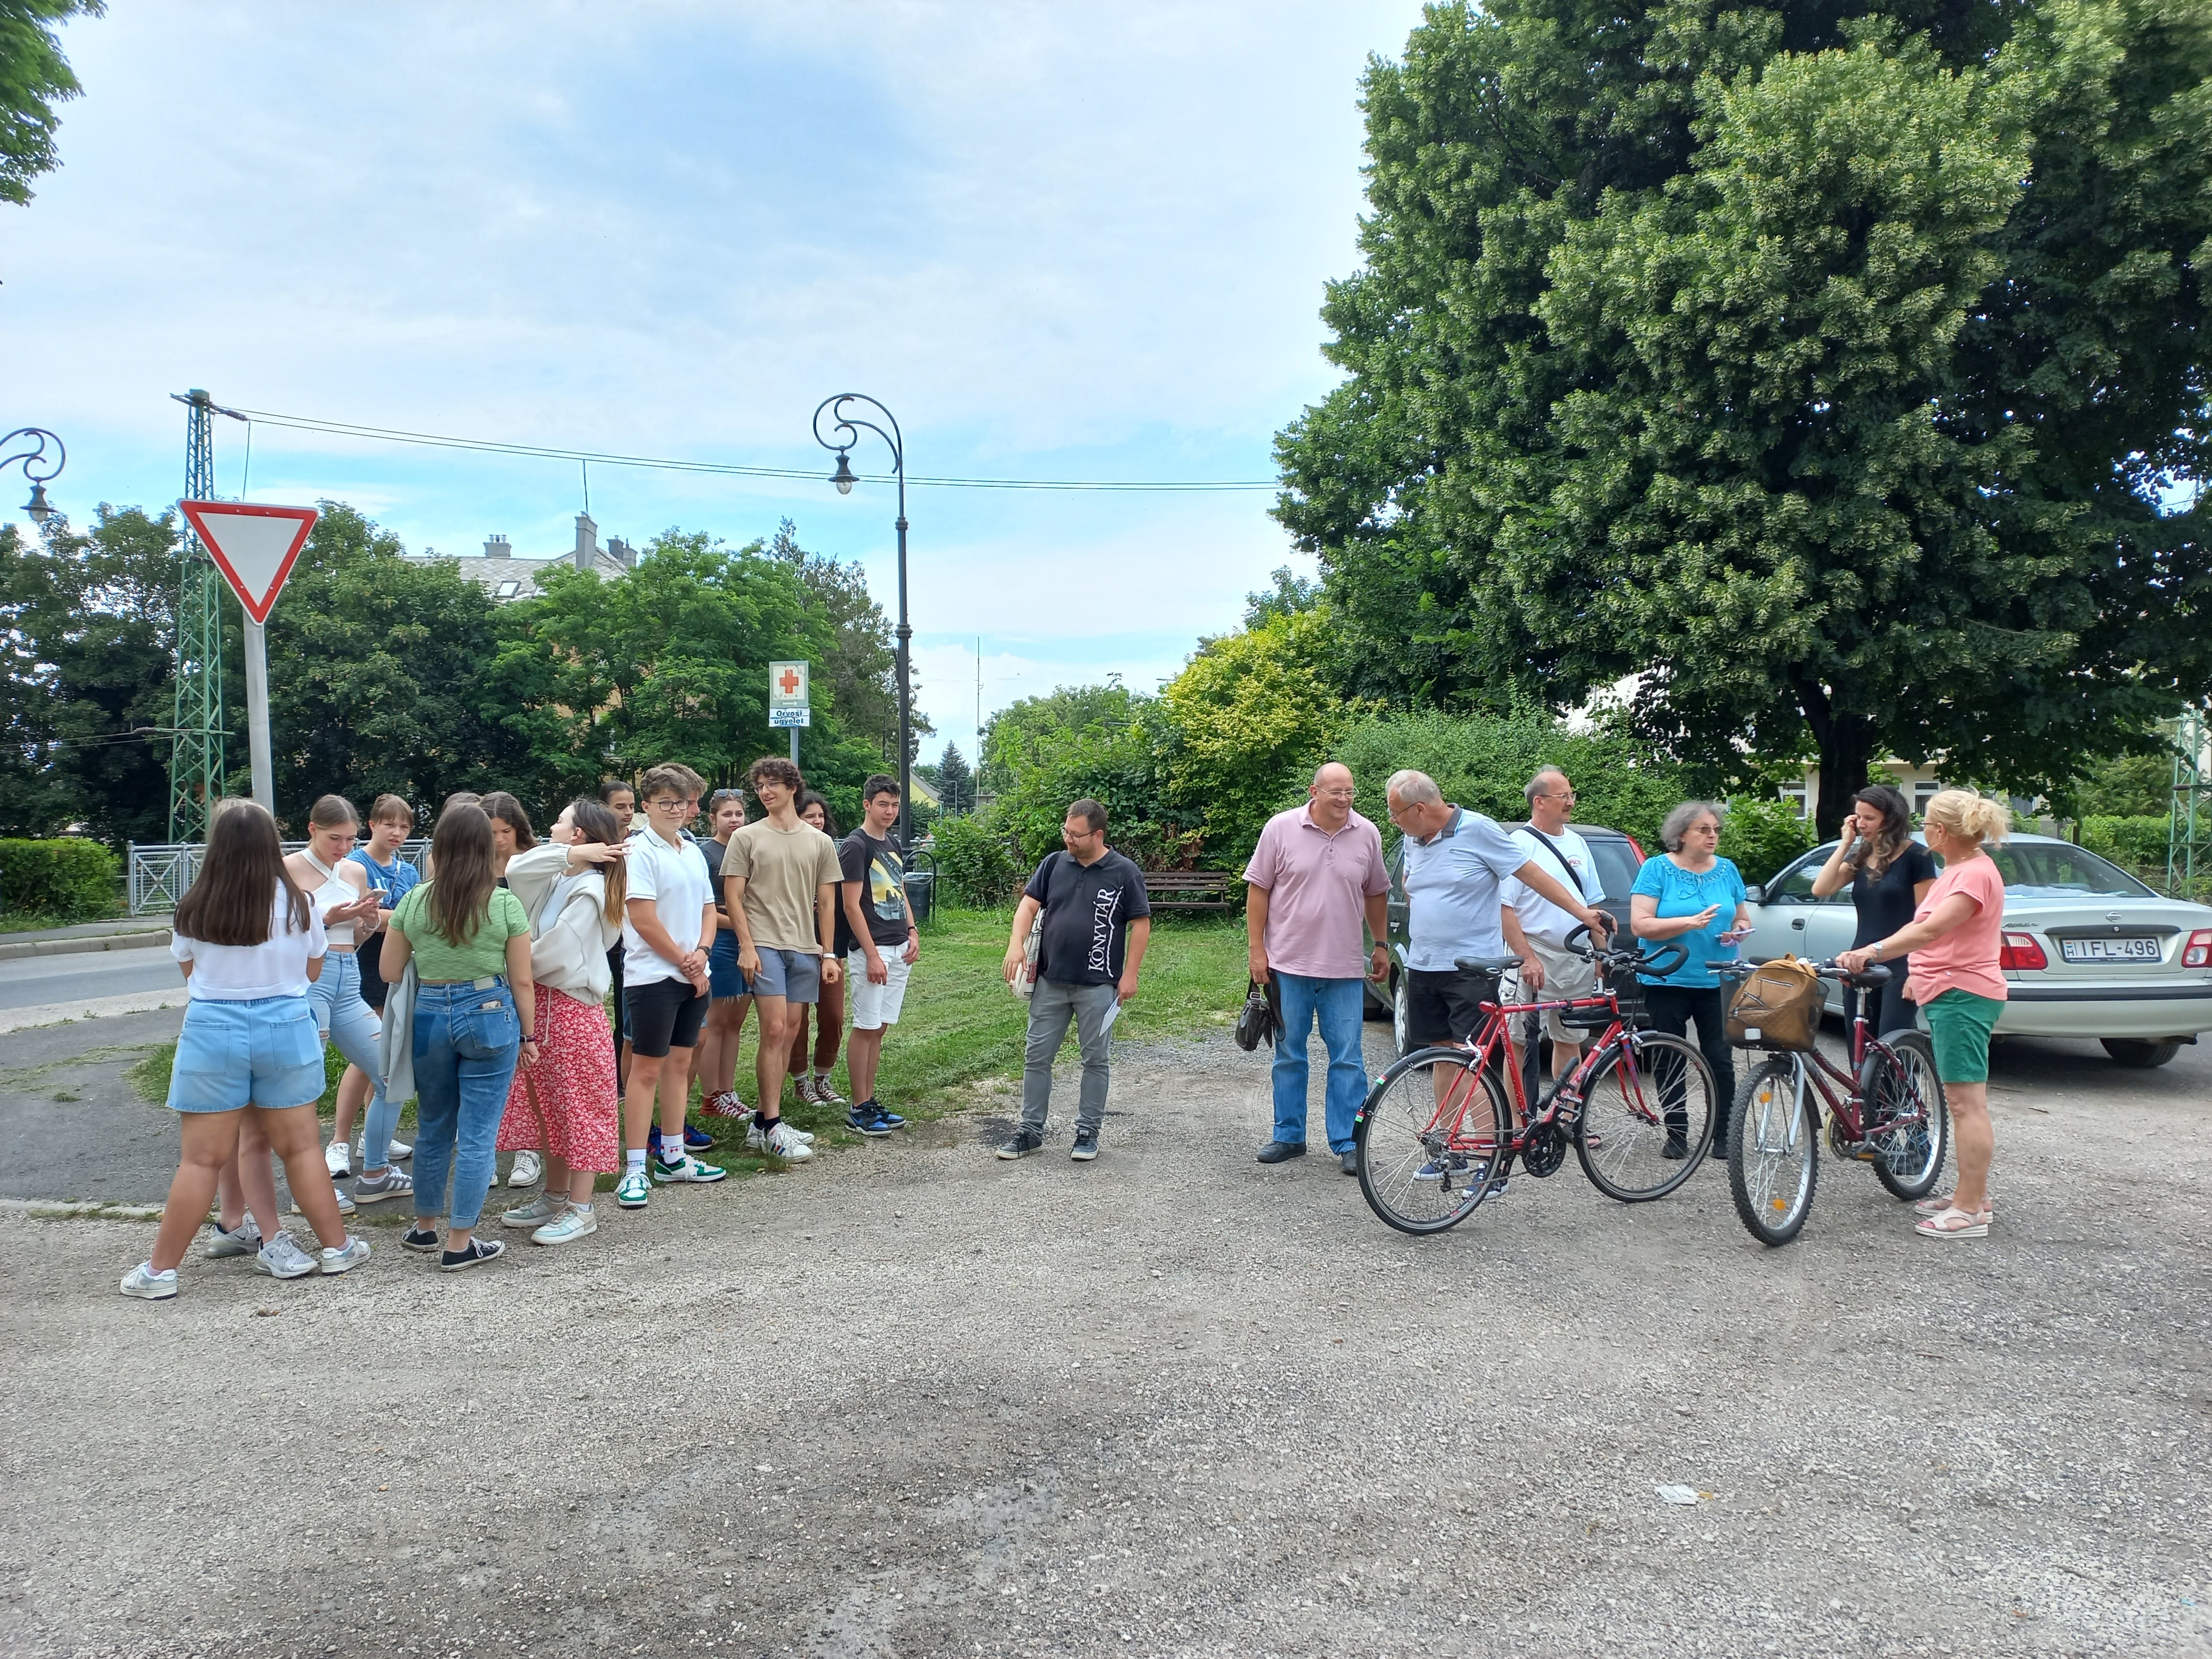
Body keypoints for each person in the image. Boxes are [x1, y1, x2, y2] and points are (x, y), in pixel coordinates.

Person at [122, 800, 370, 1299]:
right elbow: (312, 972)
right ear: (270, 845)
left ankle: (160, 1273)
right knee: (301, 1148)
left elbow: (191, 973)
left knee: (201, 1160)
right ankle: (338, 1248)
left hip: (214, 1030)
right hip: (286, 1025)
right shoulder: (300, 903)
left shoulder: (194, 905)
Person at [1385, 770, 1616, 1183]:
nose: (1393, 821)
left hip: (1471, 968)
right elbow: (1412, 885)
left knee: (1470, 1062)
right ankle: (1449, 1148)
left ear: (1420, 809)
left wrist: (1583, 914)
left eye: (1396, 814)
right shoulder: (1412, 838)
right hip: (1424, 963)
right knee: (1441, 1056)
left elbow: (1532, 875)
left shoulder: (1479, 830)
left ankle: (1492, 1160)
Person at [1837, 789, 2011, 1241]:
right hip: (1949, 990)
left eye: (1930, 822)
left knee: (1966, 1103)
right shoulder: (1960, 870)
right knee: (1962, 1100)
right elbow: (1931, 932)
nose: (1924, 829)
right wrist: (1916, 970)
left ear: (1945, 832)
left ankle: (1970, 1210)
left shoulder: (1973, 875)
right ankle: (1971, 1196)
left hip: (1963, 995)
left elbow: (1931, 928)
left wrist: (1872, 951)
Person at [380, 803, 535, 1271]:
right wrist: (528, 1035)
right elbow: (522, 980)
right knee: (478, 1133)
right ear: (487, 846)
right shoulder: (504, 903)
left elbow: (389, 970)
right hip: (489, 1012)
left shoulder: (414, 901)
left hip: (429, 1013)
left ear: (440, 847)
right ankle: (460, 1242)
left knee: (433, 1126)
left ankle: (425, 1227)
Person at [493, 798, 629, 1245]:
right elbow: (516, 868)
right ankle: (555, 1196)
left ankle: (582, 1208)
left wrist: (509, 963)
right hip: (543, 1007)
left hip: (570, 1010)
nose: (551, 826)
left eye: (560, 821)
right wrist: (573, 853)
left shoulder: (590, 890)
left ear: (579, 832)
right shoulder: (561, 875)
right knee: (549, 1109)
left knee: (579, 1110)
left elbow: (558, 953)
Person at [1245, 763, 1390, 1175]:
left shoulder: (1368, 833)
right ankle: (1288, 1135)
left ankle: (1348, 1142)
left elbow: (1376, 893)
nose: (1344, 800)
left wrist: (1380, 945)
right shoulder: (1280, 828)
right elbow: (1259, 890)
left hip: (1344, 967)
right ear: (1314, 791)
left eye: (1350, 792)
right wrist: (1257, 950)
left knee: (1348, 1058)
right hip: (1288, 964)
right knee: (1289, 1053)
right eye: (1335, 792)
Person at [996, 797, 1150, 1161]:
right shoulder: (1054, 864)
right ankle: (1030, 1131)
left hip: (1099, 985)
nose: (1068, 839)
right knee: (1036, 1057)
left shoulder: (1124, 872)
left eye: (1076, 834)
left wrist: (1130, 975)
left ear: (1098, 835)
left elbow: (1141, 924)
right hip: (1051, 981)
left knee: (1095, 1060)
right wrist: (1016, 944)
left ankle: (1087, 1132)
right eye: (1066, 831)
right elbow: (1028, 905)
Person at [280, 796, 407, 1211]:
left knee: (391, 1069)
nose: (344, 847)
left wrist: (368, 923)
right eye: (335, 838)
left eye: (351, 839)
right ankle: (308, 1188)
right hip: (309, 981)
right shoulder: (287, 868)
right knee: (305, 1084)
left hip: (348, 977)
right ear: (312, 829)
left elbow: (355, 938)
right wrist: (326, 920)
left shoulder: (354, 870)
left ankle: (376, 1172)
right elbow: (275, 934)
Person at [613, 763, 727, 1208]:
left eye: (681, 803)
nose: (675, 810)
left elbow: (707, 909)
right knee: (646, 1071)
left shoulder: (691, 851)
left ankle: (674, 1157)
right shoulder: (639, 851)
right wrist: (686, 962)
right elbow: (643, 918)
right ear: (647, 806)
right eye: (665, 803)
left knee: (680, 1067)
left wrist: (702, 952)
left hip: (695, 974)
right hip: (653, 977)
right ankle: (635, 1169)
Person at [722, 756, 843, 1163]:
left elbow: (827, 903)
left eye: (772, 783)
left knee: (790, 1031)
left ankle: (762, 1123)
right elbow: (733, 896)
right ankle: (773, 1125)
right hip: (764, 944)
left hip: (805, 948)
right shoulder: (747, 837)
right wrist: (747, 945)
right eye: (760, 785)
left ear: (792, 787)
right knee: (774, 1029)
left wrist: (829, 953)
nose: (765, 791)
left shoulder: (819, 842)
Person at [1629, 801, 1752, 1145]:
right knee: (1670, 1055)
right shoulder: (1657, 869)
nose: (1713, 836)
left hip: (1717, 978)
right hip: (1667, 977)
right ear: (1681, 835)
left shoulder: (1727, 870)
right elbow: (1640, 925)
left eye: (1716, 830)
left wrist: (1739, 931)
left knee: (1720, 1058)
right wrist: (1688, 923)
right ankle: (1677, 1133)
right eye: (1704, 830)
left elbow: (1742, 917)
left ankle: (1722, 1134)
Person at [1502, 768, 1610, 1093]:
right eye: (1563, 796)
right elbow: (1504, 909)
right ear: (1539, 801)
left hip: (1575, 956)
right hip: (1534, 954)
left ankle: (1564, 1116)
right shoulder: (1518, 845)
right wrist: (1526, 958)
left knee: (1570, 1040)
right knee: (1519, 1043)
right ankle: (1517, 1120)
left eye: (1571, 795)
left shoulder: (1578, 842)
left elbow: (1592, 905)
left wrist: (1600, 954)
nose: (1571, 802)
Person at [330, 793, 418, 1178]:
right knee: (366, 1058)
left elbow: (411, 917)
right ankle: (339, 1141)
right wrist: (394, 918)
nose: (396, 833)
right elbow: (360, 919)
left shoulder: (409, 871)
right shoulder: (354, 865)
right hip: (362, 965)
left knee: (385, 1056)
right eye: (389, 824)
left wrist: (388, 917)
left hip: (397, 966)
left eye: (404, 827)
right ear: (372, 825)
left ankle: (373, 1136)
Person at [1811, 784, 1936, 1036]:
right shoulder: (1861, 856)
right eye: (1858, 817)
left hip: (1901, 964)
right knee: (1859, 1043)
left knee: (1891, 1041)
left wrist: (1918, 971)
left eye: (1869, 818)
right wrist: (1845, 844)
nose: (1862, 825)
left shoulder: (1917, 856)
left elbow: (1926, 919)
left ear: (1890, 819)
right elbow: (1821, 888)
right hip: (1861, 963)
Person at [840, 774, 918, 1137]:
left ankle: (870, 1100)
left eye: (895, 805)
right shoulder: (856, 845)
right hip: (872, 949)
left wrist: (912, 930)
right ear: (867, 804)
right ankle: (858, 1107)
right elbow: (851, 905)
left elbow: (899, 888)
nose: (889, 811)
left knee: (881, 1027)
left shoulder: (893, 842)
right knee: (866, 1026)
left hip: (898, 945)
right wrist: (871, 954)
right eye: (883, 804)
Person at [482, 791, 544, 1189]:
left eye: (505, 831)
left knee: (529, 1066)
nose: (499, 840)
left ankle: (529, 1149)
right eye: (491, 833)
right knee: (489, 1069)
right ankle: (484, 1153)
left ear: (518, 828)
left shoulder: (532, 859)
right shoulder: (475, 863)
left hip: (529, 964)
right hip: (487, 970)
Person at [784, 790, 850, 1109]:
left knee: (834, 1015)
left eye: (821, 816)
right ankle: (801, 1082)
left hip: (830, 947)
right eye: (810, 816)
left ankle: (823, 1077)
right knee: (798, 1020)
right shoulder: (786, 852)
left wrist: (833, 950)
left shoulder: (829, 851)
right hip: (795, 944)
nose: (818, 821)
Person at [694, 788, 757, 1122]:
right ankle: (711, 1097)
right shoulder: (705, 855)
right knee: (716, 1023)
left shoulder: (749, 849)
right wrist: (740, 925)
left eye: (739, 814)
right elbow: (701, 910)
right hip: (720, 943)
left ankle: (728, 1092)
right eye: (727, 814)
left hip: (749, 943)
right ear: (712, 818)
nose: (735, 820)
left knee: (735, 1023)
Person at [597, 776, 637, 1091]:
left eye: (632, 806)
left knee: (627, 1008)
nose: (628, 813)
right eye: (620, 807)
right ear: (604, 808)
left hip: (631, 935)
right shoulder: (595, 845)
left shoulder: (639, 842)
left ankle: (622, 1079)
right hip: (602, 933)